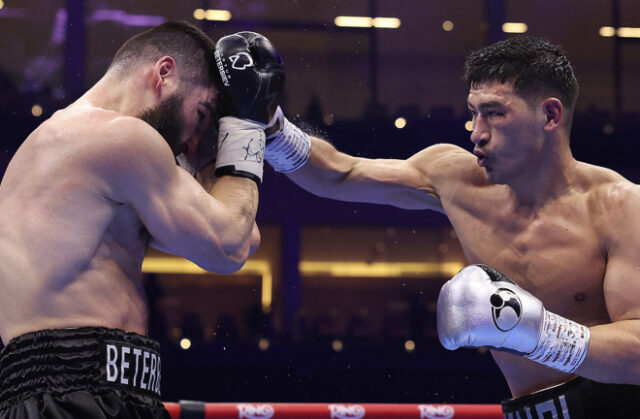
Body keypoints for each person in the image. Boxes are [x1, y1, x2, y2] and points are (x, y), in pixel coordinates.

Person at [245, 35, 640, 417]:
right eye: (473, 112)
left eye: (495, 113)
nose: (476, 132)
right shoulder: (456, 179)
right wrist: (272, 128)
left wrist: (533, 331)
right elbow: (342, 173)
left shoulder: (620, 208)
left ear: (550, 115)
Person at [0, 21, 276, 418]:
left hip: (88, 391)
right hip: (75, 396)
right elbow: (228, 244)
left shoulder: (78, 145)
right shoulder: (120, 139)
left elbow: (241, 235)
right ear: (164, 73)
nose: (194, 141)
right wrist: (245, 129)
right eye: (201, 114)